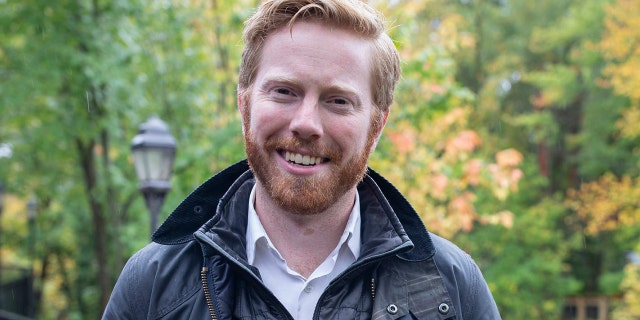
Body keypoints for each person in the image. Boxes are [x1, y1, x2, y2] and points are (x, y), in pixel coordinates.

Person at [103, 0, 502, 319]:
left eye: (338, 100)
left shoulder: (450, 287)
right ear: (244, 105)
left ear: (377, 126)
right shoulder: (154, 284)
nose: (306, 123)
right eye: (284, 92)